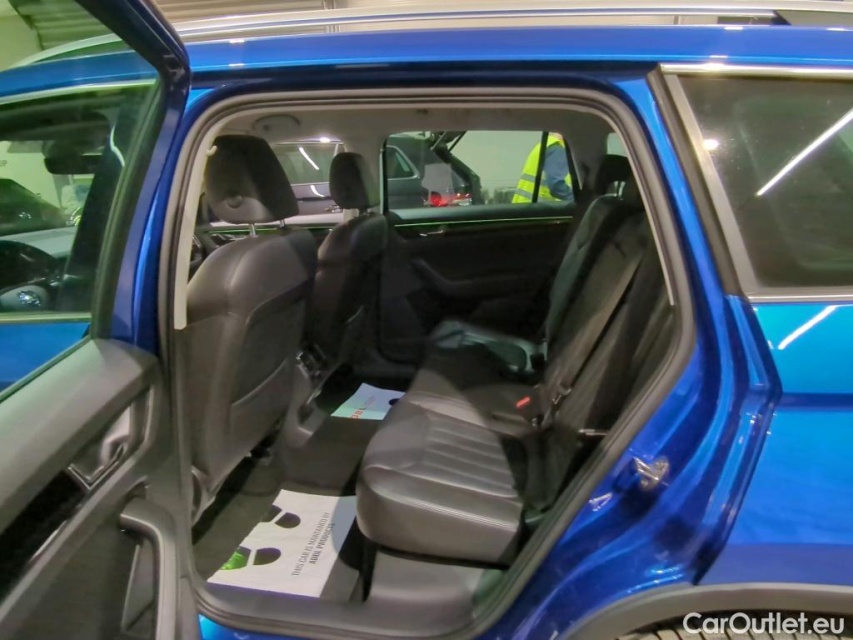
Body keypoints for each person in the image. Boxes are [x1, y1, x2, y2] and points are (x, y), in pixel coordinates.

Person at [512, 132, 573, 203]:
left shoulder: (545, 144)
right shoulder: (557, 148)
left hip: (526, 205)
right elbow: (556, 185)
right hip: (539, 207)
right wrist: (577, 199)